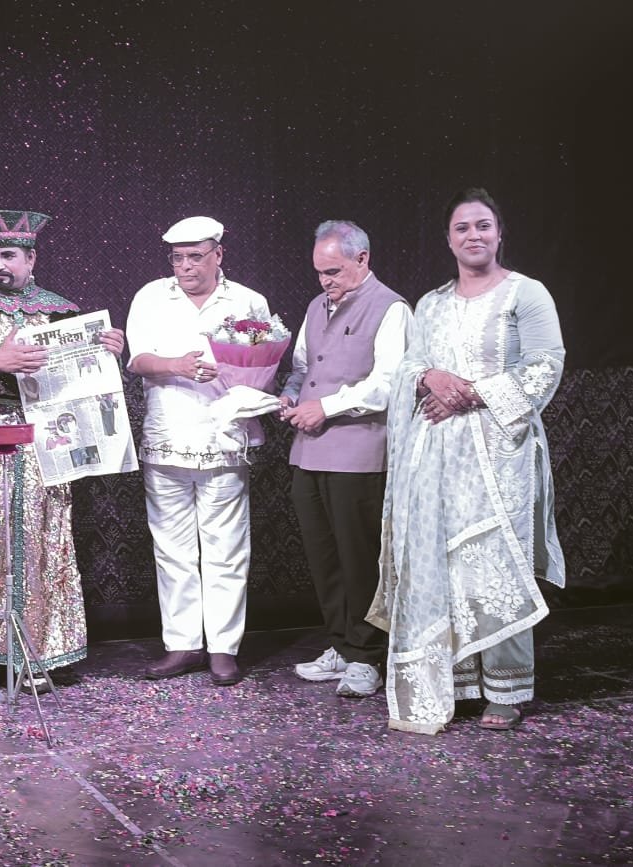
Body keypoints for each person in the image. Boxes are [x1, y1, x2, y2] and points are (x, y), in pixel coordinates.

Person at [366, 188, 566, 734]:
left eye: (483, 225)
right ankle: (454, 683)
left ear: (499, 234)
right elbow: (410, 366)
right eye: (462, 227)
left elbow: (546, 365)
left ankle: (506, 689)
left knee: (496, 562)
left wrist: (470, 394)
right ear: (448, 239)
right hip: (436, 455)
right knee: (445, 564)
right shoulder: (431, 304)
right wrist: (431, 378)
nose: (473, 235)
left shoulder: (526, 293)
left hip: (501, 453)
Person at [0, 210, 125, 697]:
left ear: (31, 259)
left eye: (8, 255)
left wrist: (107, 348)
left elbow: (81, 375)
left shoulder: (59, 312)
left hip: (42, 446)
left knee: (37, 543)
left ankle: (34, 649)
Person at [125, 216, 270, 687]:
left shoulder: (248, 301)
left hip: (224, 438)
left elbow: (261, 364)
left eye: (195, 256)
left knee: (226, 549)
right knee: (173, 550)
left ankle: (224, 648)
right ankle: (182, 644)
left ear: (218, 254)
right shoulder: (151, 296)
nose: (185, 266)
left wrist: (234, 377)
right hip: (167, 436)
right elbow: (137, 359)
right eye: (177, 258)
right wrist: (179, 366)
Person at [280, 221, 412, 698]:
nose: (325, 281)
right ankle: (340, 643)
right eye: (319, 272)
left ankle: (367, 654)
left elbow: (389, 383)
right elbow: (301, 367)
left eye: (333, 271)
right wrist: (290, 394)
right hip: (309, 451)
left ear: (363, 259)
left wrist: (327, 407)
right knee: (324, 557)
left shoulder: (391, 308)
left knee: (360, 560)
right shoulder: (316, 306)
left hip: (360, 453)